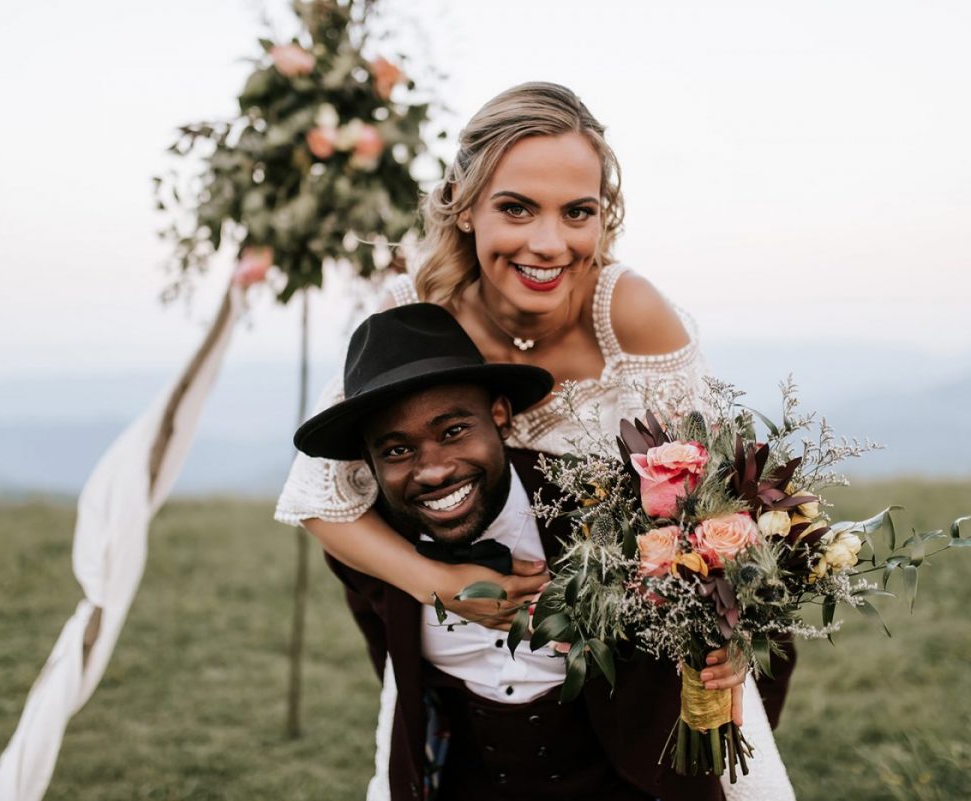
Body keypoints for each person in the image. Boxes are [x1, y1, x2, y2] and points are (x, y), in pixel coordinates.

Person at [276, 82, 796, 799]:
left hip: (633, 699)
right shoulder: (413, 313)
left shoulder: (630, 317)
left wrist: (734, 621)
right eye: (516, 207)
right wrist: (442, 585)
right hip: (468, 701)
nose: (549, 243)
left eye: (577, 212)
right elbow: (316, 497)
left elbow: (720, 503)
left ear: (602, 217)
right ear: (463, 205)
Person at [296, 302, 749, 799]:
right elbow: (397, 673)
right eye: (398, 450)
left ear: (499, 413)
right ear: (370, 462)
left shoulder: (607, 508)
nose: (433, 470)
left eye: (453, 431)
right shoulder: (367, 551)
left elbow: (737, 603)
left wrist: (732, 649)